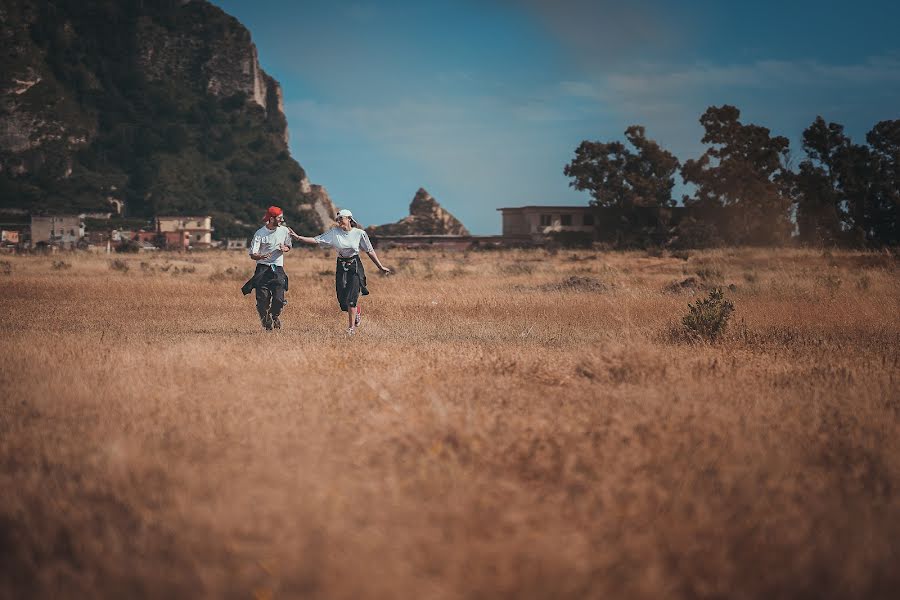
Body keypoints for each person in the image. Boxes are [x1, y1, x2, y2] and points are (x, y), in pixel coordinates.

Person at [289, 209, 390, 335]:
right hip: (341, 266)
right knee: (343, 300)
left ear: (349, 219)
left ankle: (351, 328)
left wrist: (380, 266)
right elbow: (317, 240)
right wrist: (298, 238)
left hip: (354, 266)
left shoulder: (360, 233)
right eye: (337, 219)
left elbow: (369, 250)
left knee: (352, 298)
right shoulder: (334, 232)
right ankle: (356, 311)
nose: (339, 221)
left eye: (341, 218)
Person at [242, 205, 292, 330]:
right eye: (279, 218)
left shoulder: (285, 231)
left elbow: (288, 246)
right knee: (263, 300)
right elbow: (253, 254)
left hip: (278, 269)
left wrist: (284, 248)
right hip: (263, 269)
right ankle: (266, 323)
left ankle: (274, 316)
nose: (281, 220)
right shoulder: (260, 233)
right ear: (271, 219)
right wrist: (261, 256)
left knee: (279, 299)